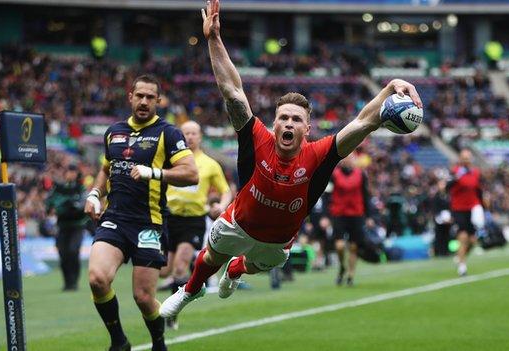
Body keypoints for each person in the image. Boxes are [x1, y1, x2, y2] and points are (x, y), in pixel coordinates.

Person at [160, 0, 422, 318]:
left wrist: (388, 89)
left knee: (254, 264)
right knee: (210, 257)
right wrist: (214, 39)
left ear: (307, 128)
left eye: (296, 120)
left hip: (278, 241)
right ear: (274, 123)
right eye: (283, 117)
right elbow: (232, 90)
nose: (288, 123)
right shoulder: (257, 137)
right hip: (239, 222)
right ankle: (190, 290)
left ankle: (237, 270)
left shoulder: (319, 153)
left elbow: (365, 122)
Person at [83, 75, 198, 351]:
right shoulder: (113, 132)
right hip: (115, 219)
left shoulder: (168, 133)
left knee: (144, 298)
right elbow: (105, 169)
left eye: (150, 97)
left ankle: (159, 343)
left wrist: (154, 173)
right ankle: (119, 341)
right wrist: (94, 194)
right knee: (97, 279)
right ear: (130, 97)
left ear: (158, 101)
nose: (144, 101)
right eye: (140, 96)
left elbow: (191, 173)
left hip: (149, 224)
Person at [160, 120, 232, 330]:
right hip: (169, 218)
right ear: (181, 137)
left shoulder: (210, 164)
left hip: (193, 220)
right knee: (164, 271)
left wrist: (221, 205)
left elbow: (225, 190)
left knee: (181, 265)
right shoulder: (171, 161)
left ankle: (172, 314)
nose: (190, 137)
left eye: (194, 133)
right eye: (186, 133)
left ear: (200, 137)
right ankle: (182, 291)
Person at [329, 154, 371, 287]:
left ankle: (351, 275)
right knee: (340, 246)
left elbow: (365, 195)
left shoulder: (361, 174)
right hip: (339, 213)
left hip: (356, 214)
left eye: (350, 158)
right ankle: (342, 266)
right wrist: (325, 215)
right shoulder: (334, 175)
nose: (347, 160)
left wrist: (369, 216)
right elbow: (327, 194)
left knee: (353, 246)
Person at [46, 164, 88, 291]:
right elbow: (50, 202)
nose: (71, 174)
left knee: (73, 251)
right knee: (62, 253)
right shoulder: (58, 188)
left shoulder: (80, 188)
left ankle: (74, 281)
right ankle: (67, 282)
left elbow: (82, 204)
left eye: (73, 172)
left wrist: (68, 205)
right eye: (69, 171)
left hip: (77, 226)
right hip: (62, 226)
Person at [448, 148, 482, 276]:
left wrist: (483, 206)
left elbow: (479, 191)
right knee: (463, 237)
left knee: (473, 240)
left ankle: (460, 256)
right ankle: (462, 267)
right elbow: (447, 186)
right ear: (460, 159)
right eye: (464, 158)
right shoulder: (455, 171)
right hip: (458, 209)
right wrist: (457, 176)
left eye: (468, 158)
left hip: (472, 209)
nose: (466, 160)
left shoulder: (475, 173)